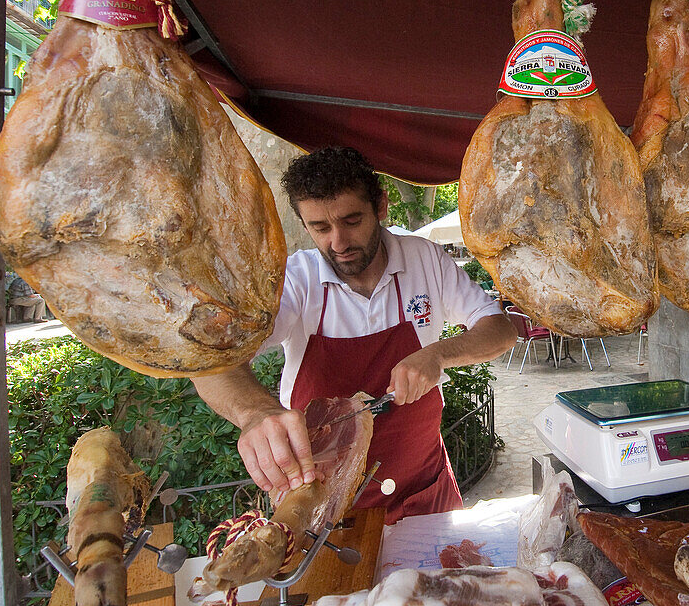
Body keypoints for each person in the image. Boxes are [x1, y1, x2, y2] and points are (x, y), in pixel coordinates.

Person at [192, 147, 516, 523]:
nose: (339, 242)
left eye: (351, 220)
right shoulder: (295, 281)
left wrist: (438, 354)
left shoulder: (425, 259)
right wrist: (255, 412)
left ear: (380, 206)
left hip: (425, 491)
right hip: (325, 508)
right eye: (320, 228)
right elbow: (212, 365)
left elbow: (500, 329)